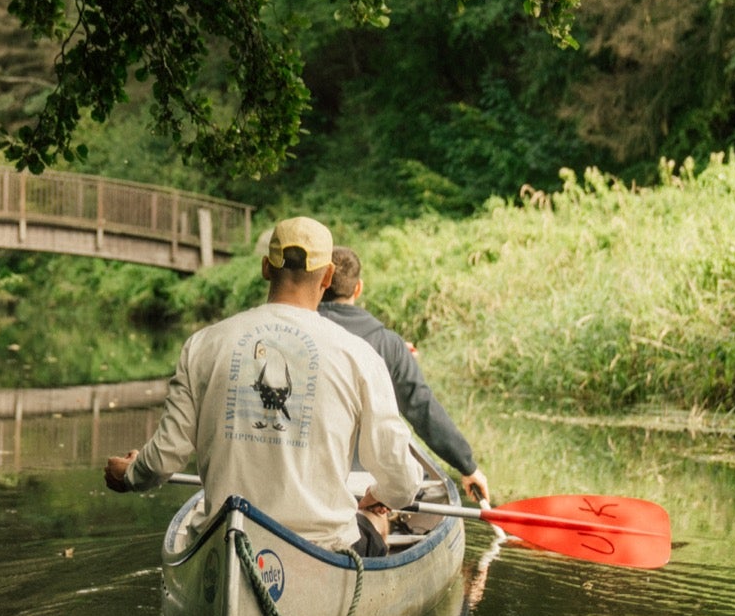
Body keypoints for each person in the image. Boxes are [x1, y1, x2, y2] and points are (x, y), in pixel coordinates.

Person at [104, 216, 425, 557]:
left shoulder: (203, 344)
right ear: (328, 276)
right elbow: (403, 483)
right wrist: (380, 497)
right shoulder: (360, 356)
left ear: (265, 268)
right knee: (374, 523)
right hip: (322, 549)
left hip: (225, 540)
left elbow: (161, 461)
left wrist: (131, 474)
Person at [318, 244, 492, 504]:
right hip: (363, 482)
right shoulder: (389, 345)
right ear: (358, 288)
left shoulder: (295, 335)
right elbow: (422, 408)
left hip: (308, 480)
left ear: (320, 283)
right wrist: (467, 465)